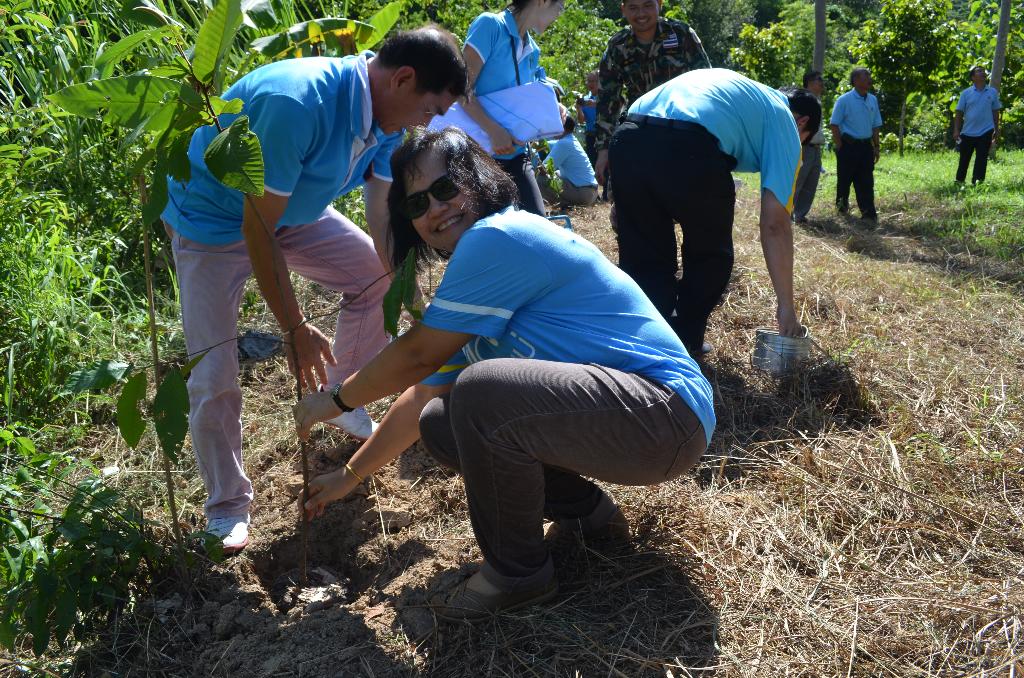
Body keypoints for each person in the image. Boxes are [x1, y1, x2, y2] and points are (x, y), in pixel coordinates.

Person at [292, 127, 715, 622]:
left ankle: (516, 576)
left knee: (479, 391)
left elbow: (418, 355)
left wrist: (337, 400)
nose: (434, 209)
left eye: (445, 188)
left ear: (477, 180)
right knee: (442, 419)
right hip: (640, 422)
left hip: (663, 415)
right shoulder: (476, 274)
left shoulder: (499, 236)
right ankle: (587, 517)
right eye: (415, 204)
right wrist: (348, 475)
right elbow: (422, 391)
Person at [161, 28, 468, 553]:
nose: (430, 123)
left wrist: (407, 294)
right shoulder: (297, 103)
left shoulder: (384, 117)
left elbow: (379, 210)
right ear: (403, 78)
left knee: (372, 278)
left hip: (292, 216)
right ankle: (227, 507)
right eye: (432, 109)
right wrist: (295, 328)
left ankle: (341, 393)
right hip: (214, 227)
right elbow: (256, 227)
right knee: (214, 374)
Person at [608, 69, 821, 356]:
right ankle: (683, 340)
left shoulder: (736, 90)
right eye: (803, 140)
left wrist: (627, 201)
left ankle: (648, 344)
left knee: (645, 257)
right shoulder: (784, 120)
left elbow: (652, 138)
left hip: (628, 137)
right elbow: (775, 225)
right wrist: (786, 308)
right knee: (710, 257)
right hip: (689, 146)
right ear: (802, 123)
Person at [461, 0, 566, 216]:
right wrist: (493, 130)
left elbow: (529, 98)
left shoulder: (532, 50)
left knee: (538, 230)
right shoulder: (490, 26)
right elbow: (460, 89)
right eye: (560, 8)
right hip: (477, 157)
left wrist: (556, 107)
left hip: (516, 155)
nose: (559, 16)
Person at [593, 0, 710, 188]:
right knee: (632, 197)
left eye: (648, 5)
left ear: (660, 4)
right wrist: (604, 149)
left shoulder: (681, 34)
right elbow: (608, 99)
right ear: (623, 10)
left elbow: (706, 84)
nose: (641, 13)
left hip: (683, 128)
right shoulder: (618, 45)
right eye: (633, 7)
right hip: (640, 129)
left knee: (691, 194)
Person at [830, 67, 882, 222]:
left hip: (866, 147)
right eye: (866, 76)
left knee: (866, 181)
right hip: (848, 145)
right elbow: (834, 124)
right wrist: (840, 146)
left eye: (869, 76)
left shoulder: (872, 99)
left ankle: (868, 213)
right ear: (856, 81)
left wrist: (876, 146)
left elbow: (875, 125)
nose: (869, 79)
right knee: (844, 180)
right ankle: (842, 210)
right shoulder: (844, 100)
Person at [953, 66, 1002, 184]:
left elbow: (995, 111)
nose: (983, 73)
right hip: (967, 132)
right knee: (964, 159)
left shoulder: (992, 92)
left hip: (986, 131)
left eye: (983, 71)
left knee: (982, 159)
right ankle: (959, 181)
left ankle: (977, 182)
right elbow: (959, 112)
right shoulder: (966, 93)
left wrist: (996, 129)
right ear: (973, 77)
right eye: (979, 71)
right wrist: (956, 130)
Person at [792, 70, 827, 224]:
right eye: (818, 79)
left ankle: (799, 215)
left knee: (811, 182)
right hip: (804, 146)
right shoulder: (803, 101)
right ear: (809, 82)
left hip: (816, 148)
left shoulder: (817, 101)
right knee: (798, 180)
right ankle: (787, 213)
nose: (821, 82)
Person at [537, 123, 599, 207]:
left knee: (541, 179)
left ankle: (564, 204)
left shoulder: (563, 143)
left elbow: (544, 168)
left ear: (562, 128)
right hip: (591, 193)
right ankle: (567, 203)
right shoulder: (571, 139)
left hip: (583, 194)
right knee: (557, 173)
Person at [576, 70, 600, 165]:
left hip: (605, 135)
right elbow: (582, 121)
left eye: (593, 81)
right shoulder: (585, 99)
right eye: (588, 81)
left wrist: (596, 104)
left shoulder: (606, 98)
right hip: (591, 137)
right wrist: (579, 109)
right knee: (593, 164)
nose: (590, 83)